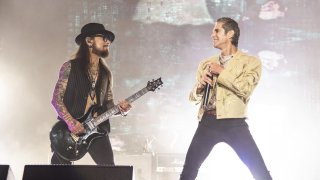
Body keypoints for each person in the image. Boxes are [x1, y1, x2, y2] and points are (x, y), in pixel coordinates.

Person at [180, 17, 273, 180]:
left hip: (234, 123)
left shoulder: (250, 62)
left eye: (216, 30)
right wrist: (199, 87)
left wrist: (222, 72)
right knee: (189, 170)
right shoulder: (206, 63)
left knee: (259, 171)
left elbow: (245, 89)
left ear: (230, 34)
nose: (212, 34)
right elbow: (192, 98)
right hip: (208, 122)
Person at [50, 23, 132, 165]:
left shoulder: (106, 74)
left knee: (109, 171)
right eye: (103, 38)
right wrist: (71, 122)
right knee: (58, 172)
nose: (108, 41)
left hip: (97, 131)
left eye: (109, 39)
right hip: (69, 133)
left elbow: (108, 106)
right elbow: (56, 99)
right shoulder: (70, 67)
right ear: (89, 41)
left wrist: (121, 110)